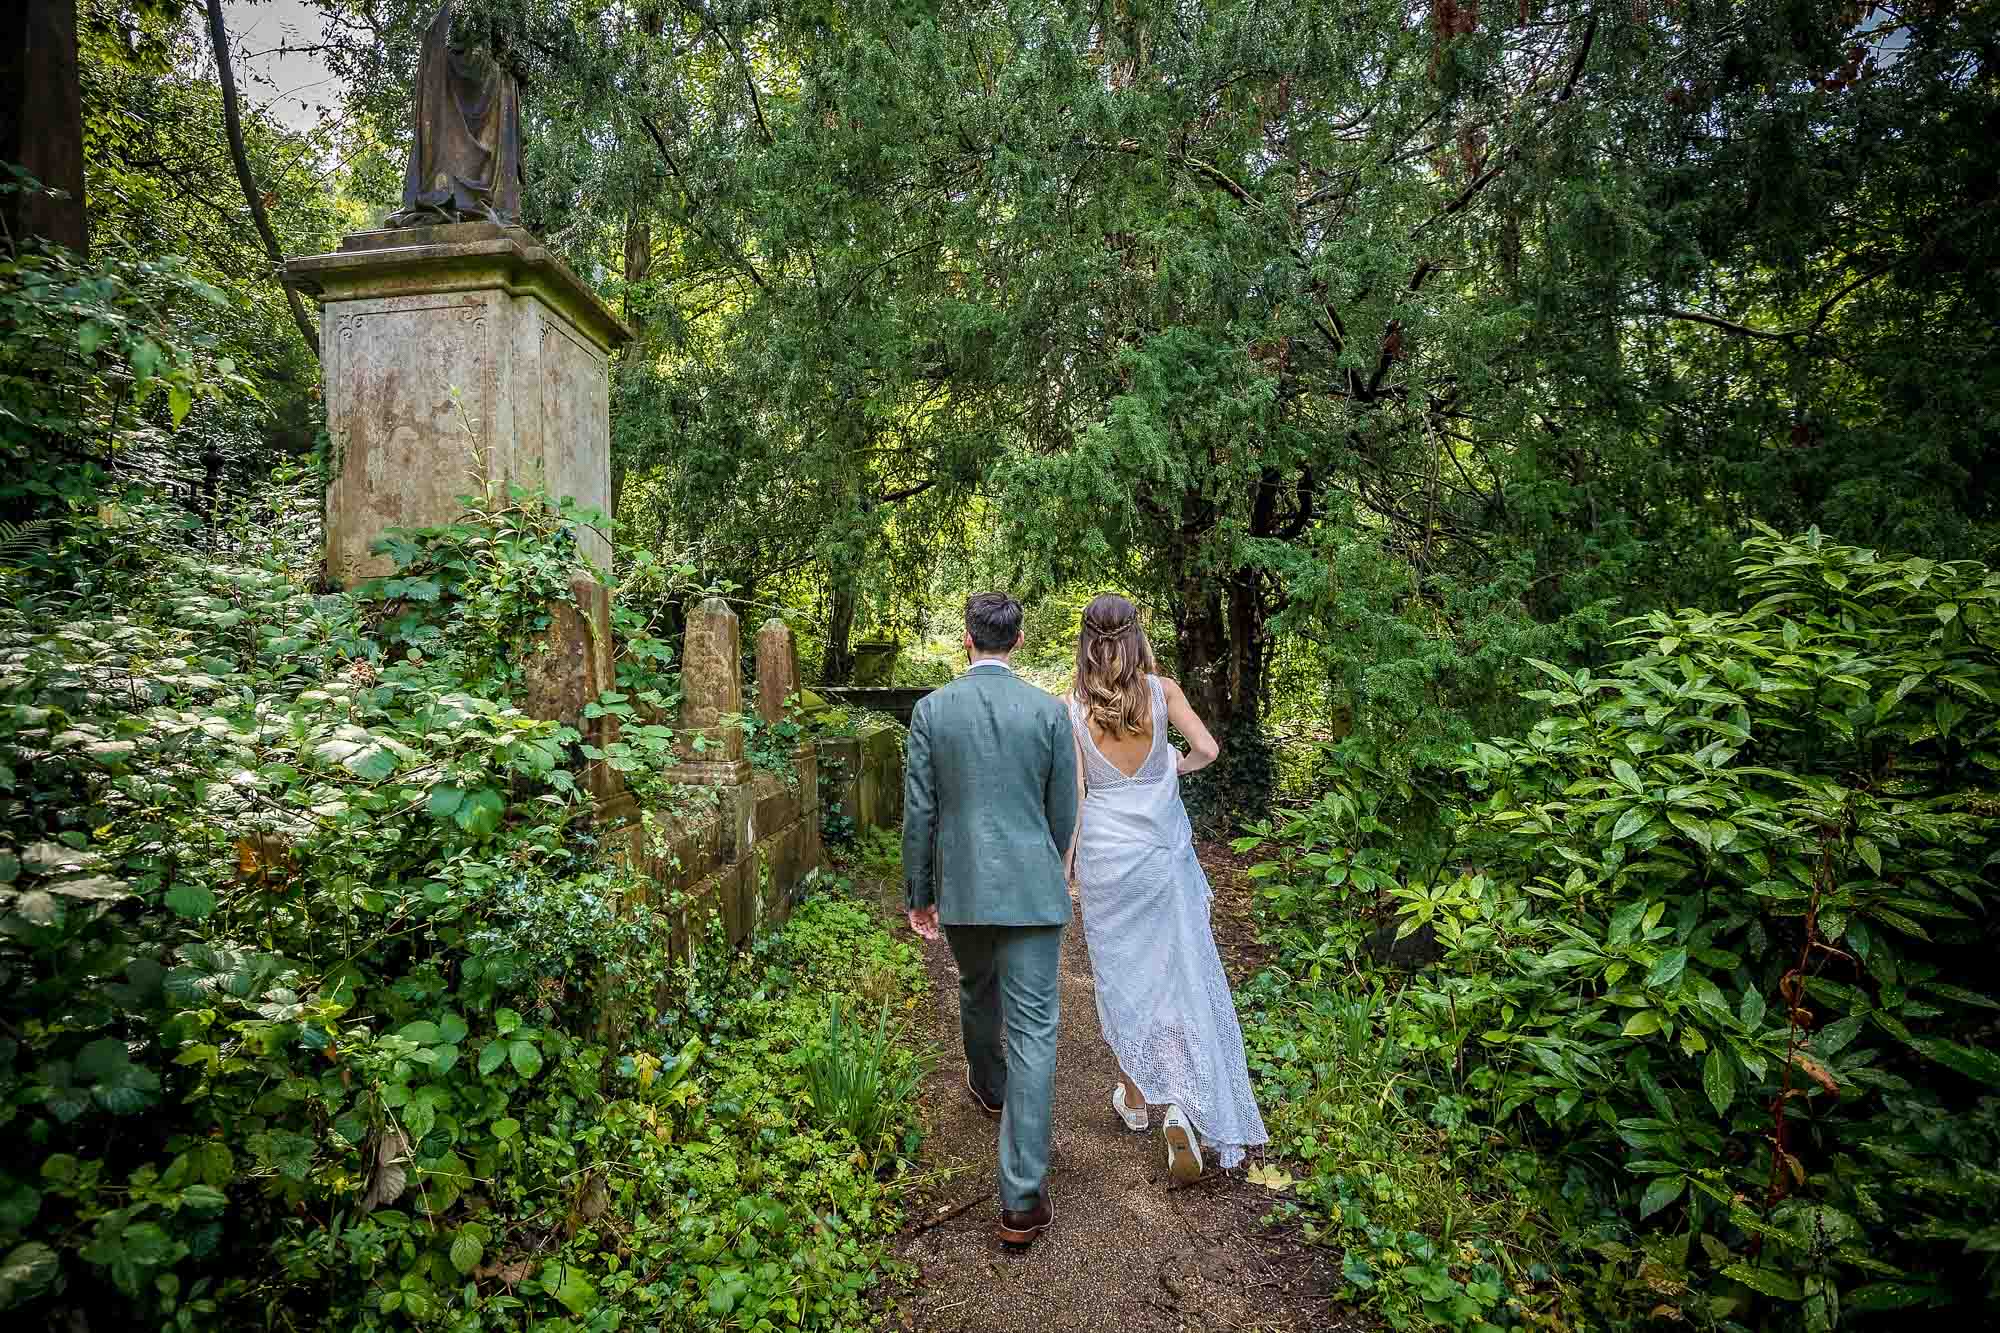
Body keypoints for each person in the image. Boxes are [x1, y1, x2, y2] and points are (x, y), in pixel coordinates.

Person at [1065, 593, 1268, 1181]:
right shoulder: (1163, 692)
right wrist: (1170, 767)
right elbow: (1207, 749)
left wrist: (1067, 868)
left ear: (1085, 641)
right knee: (1173, 971)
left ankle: (1136, 1096)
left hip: (1108, 860)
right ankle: (1179, 1104)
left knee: (1124, 978)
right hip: (1161, 856)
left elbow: (1075, 798)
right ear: (1135, 636)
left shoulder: (1070, 708)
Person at [903, 591, 1079, 1247]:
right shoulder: (1049, 711)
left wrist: (920, 891)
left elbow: (920, 811)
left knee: (977, 987)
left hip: (966, 890)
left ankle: (988, 1083)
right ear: (1020, 639)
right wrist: (1048, 862)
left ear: (968, 640)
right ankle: (1022, 1199)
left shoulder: (931, 711)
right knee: (1035, 1027)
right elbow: (1063, 812)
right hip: (1033, 890)